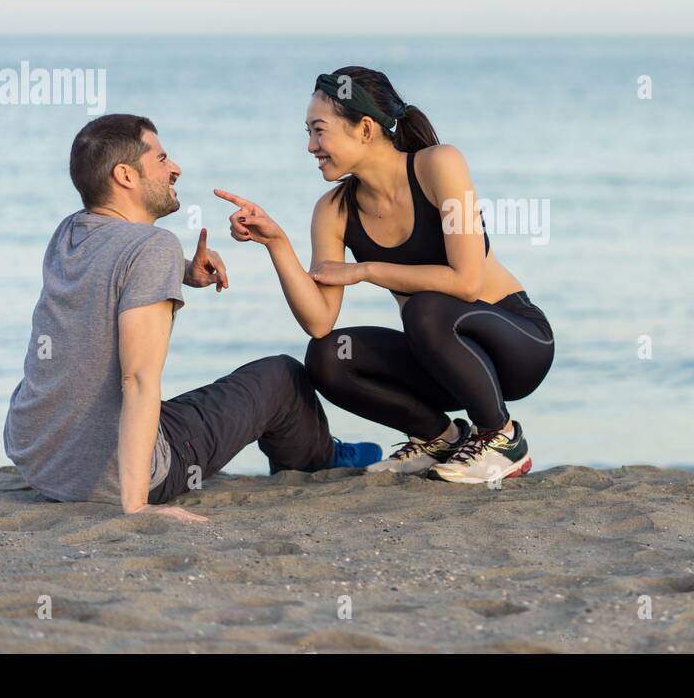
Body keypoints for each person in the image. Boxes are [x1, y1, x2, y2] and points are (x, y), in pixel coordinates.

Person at [3, 114, 380, 523]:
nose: (176, 168)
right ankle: (322, 457)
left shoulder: (70, 231)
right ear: (126, 175)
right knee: (283, 379)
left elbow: (105, 274)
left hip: (38, 458)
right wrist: (137, 505)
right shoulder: (154, 246)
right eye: (162, 158)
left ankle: (312, 451)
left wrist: (184, 270)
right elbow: (138, 379)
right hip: (116, 477)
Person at [214, 67, 553, 484]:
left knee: (425, 308)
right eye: (308, 133)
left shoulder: (440, 165)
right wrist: (277, 244)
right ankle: (439, 438)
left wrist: (365, 270)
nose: (310, 146)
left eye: (319, 131)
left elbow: (467, 281)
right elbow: (320, 320)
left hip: (516, 344)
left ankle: (502, 438)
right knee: (327, 356)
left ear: (366, 128)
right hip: (441, 359)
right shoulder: (333, 209)